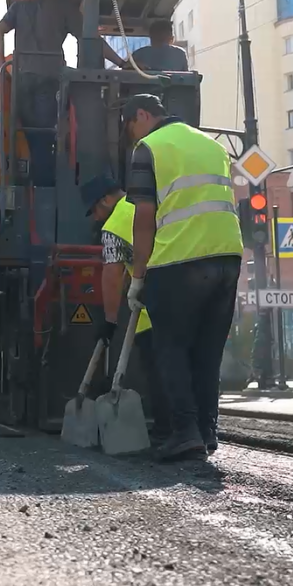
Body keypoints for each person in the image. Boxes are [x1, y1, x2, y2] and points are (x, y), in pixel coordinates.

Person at [121, 94, 243, 462]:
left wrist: (138, 276)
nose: (130, 135)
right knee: (207, 352)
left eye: (129, 126)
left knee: (170, 347)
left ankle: (185, 431)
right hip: (227, 256)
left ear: (142, 115)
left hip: (179, 260)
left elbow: (144, 217)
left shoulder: (149, 148)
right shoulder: (212, 144)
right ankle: (207, 431)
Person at [0, 0, 128, 187]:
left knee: (31, 136)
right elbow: (92, 40)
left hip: (22, 78)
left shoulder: (20, 7)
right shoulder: (66, 9)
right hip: (49, 79)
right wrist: (121, 62)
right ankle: (45, 188)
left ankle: (33, 183)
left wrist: (1, 64)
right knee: (47, 139)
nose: (79, 1)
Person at [81, 175, 170, 443]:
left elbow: (112, 275)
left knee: (158, 372)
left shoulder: (115, 223)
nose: (96, 218)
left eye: (96, 209)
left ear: (107, 199)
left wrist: (109, 321)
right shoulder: (153, 203)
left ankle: (167, 432)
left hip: (152, 311)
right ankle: (199, 432)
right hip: (184, 297)